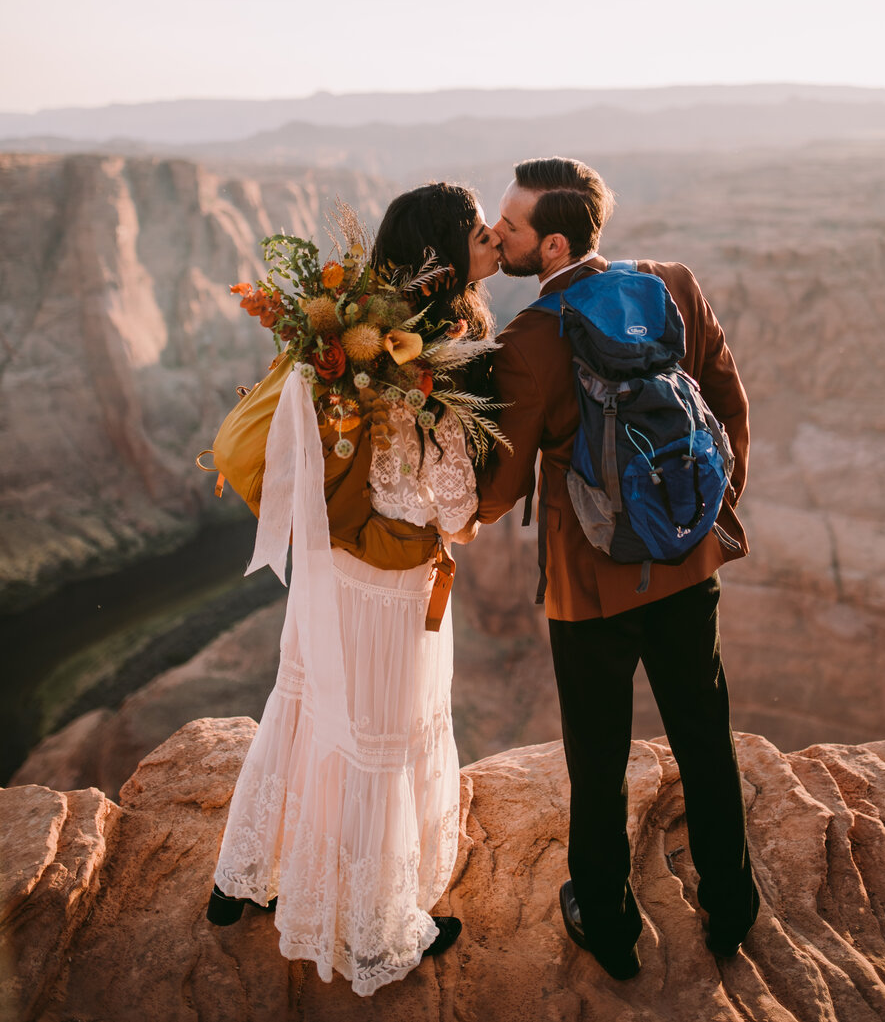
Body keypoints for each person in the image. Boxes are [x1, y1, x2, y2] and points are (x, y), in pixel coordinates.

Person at [208, 183, 501, 997]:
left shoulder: (354, 330)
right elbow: (444, 501)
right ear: (444, 257)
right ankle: (374, 928)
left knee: (302, 705)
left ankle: (241, 878)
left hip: (329, 565)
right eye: (479, 233)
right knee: (378, 737)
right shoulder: (433, 356)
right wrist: (473, 514)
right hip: (388, 585)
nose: (493, 242)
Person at [476, 157, 759, 981]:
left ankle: (605, 924)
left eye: (513, 227)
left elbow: (499, 491)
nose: (499, 235)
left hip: (588, 587)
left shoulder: (529, 341)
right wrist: (696, 518)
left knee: (597, 759)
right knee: (704, 736)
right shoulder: (672, 282)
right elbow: (729, 406)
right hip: (687, 565)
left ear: (553, 241)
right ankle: (731, 906)